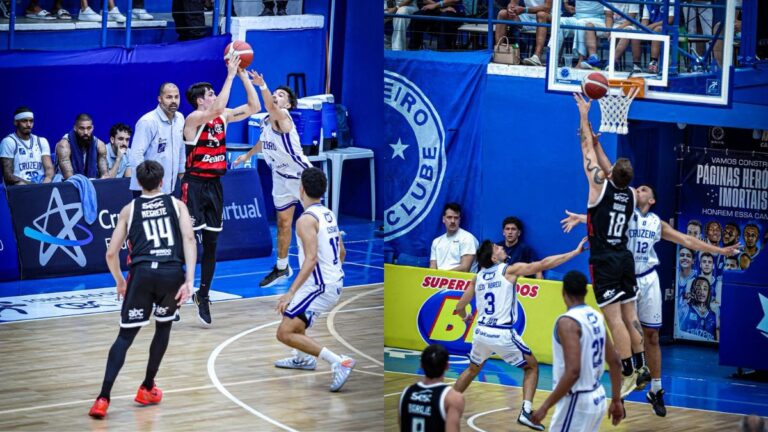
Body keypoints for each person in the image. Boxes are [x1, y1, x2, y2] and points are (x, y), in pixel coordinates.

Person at [561, 184, 741, 417]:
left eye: (643, 189)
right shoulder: (625, 214)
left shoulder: (657, 222)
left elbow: (687, 240)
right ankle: (620, 394)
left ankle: (656, 390)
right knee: (622, 336)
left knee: (652, 337)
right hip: (624, 278)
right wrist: (581, 217)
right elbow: (602, 218)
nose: (638, 190)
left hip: (648, 279)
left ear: (652, 199)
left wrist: (720, 251)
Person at [87, 160, 196, 419]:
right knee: (163, 327)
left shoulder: (129, 209)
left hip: (142, 274)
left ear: (138, 182)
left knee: (125, 337)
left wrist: (120, 281)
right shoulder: (177, 204)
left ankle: (103, 398)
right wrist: (189, 280)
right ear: (162, 181)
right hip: (171, 272)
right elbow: (189, 239)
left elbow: (111, 253)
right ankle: (147, 386)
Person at [453, 237, 587, 431]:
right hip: (500, 333)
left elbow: (459, 306)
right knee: (531, 367)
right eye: (497, 247)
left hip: (480, 332)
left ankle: (444, 403)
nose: (501, 247)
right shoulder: (508, 270)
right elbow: (543, 264)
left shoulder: (478, 276)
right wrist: (574, 253)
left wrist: (465, 317)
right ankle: (525, 412)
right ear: (494, 258)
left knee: (472, 369)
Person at [181, 55, 261, 326]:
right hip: (193, 185)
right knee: (187, 243)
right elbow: (217, 109)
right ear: (200, 100)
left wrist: (241, 75)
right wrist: (228, 74)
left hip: (215, 185)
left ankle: (203, 295)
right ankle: (176, 291)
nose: (215, 95)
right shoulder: (193, 118)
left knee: (212, 244)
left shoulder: (223, 117)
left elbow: (253, 106)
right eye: (211, 93)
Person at [573, 93, 640, 399]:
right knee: (630, 317)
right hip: (625, 258)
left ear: (611, 174)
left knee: (615, 321)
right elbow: (601, 160)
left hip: (605, 261)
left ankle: (627, 371)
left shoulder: (599, 186)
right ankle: (641, 366)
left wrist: (585, 116)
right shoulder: (630, 195)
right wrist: (596, 144)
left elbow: (586, 150)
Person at [275, 167, 355, 392]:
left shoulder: (305, 220)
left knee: (284, 332)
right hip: (331, 281)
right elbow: (342, 253)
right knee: (289, 313)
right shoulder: (328, 213)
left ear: (301, 189)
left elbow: (310, 260)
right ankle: (302, 358)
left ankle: (339, 362)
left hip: (321, 285)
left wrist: (291, 292)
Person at [232, 74, 310, 288]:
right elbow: (263, 141)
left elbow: (270, 105)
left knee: (315, 222)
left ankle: (325, 261)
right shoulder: (267, 121)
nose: (276, 96)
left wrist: (263, 86)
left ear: (289, 104)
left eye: (281, 95)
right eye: (275, 93)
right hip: (280, 177)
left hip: (301, 176)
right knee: (284, 224)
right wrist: (248, 155)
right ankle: (282, 267)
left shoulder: (283, 115)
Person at [531, 270, 624, 430]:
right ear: (586, 291)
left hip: (576, 401)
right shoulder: (597, 316)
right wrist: (616, 400)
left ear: (563, 292)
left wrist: (544, 407)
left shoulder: (567, 322)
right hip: (598, 397)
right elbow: (615, 362)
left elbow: (573, 371)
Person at [130, 83, 186, 196]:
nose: (174, 101)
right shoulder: (147, 121)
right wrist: (147, 184)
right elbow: (136, 155)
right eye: (169, 97)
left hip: (171, 186)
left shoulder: (180, 118)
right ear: (160, 99)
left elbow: (181, 148)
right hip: (147, 188)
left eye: (176, 97)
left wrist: (181, 172)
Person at [399, 344, 465, 432]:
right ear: (447, 366)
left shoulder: (405, 393)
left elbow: (402, 426)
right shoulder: (453, 398)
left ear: (421, 365)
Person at [1, 107, 54, 185]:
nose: (29, 125)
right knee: (20, 184)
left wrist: (45, 183)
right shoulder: (9, 142)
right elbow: (8, 175)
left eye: (31, 121)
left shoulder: (41, 141)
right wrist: (31, 186)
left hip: (42, 183)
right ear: (16, 122)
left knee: (58, 177)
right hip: (22, 186)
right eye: (24, 121)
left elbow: (49, 168)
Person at [494, 0, 552, 67]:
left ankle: (536, 57)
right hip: (528, 16)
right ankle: (498, 51)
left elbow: (547, 8)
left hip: (549, 17)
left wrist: (525, 10)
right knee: (502, 13)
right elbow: (513, 3)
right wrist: (511, 8)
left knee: (541, 14)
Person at [55, 113, 109, 180]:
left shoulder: (100, 145)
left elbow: (105, 176)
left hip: (92, 183)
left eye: (89, 128)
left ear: (92, 128)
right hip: (66, 185)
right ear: (75, 128)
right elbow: (70, 178)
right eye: (82, 128)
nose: (86, 132)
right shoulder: (64, 145)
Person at [429, 202, 479, 272]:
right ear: (443, 219)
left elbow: (465, 268)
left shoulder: (467, 238)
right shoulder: (436, 242)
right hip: (440, 280)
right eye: (449, 217)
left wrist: (442, 276)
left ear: (459, 220)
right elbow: (432, 269)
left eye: (456, 218)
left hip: (462, 281)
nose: (453, 221)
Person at [679, 277, 717, 341]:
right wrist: (684, 301)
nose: (701, 292)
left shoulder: (713, 315)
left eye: (705, 289)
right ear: (692, 290)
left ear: (708, 293)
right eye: (698, 288)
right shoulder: (685, 308)